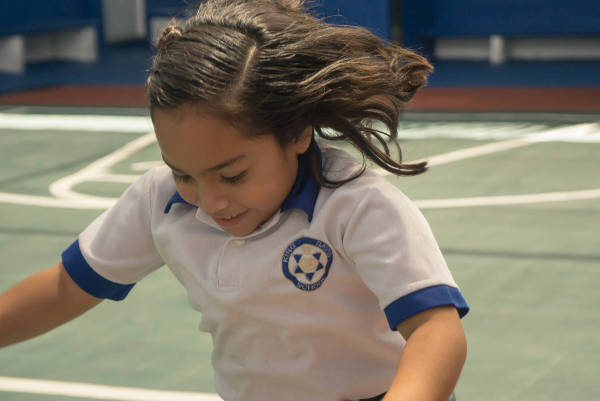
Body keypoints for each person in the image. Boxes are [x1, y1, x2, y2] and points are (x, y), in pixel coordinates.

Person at [0, 1, 469, 400]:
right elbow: (68, 286)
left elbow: (435, 331)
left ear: (298, 133)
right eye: (183, 172)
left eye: (232, 174)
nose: (209, 201)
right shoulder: (158, 198)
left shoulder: (357, 207)